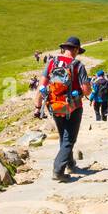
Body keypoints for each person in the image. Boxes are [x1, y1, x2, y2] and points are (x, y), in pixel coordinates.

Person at [37, 36, 90, 182]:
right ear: (76, 50)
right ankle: (58, 170)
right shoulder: (78, 65)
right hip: (74, 106)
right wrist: (85, 89)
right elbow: (86, 90)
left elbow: (42, 85)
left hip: (54, 105)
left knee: (64, 136)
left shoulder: (52, 62)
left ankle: (70, 164)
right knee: (69, 139)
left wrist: (37, 106)